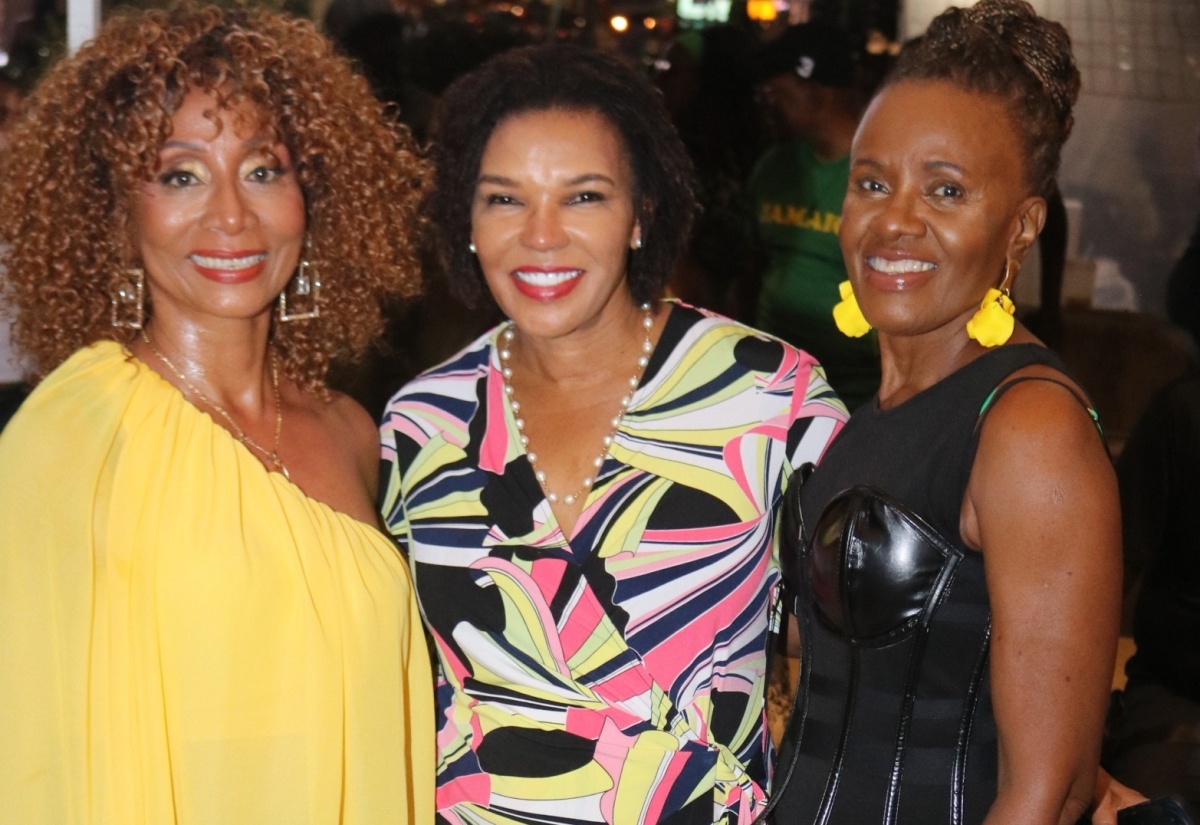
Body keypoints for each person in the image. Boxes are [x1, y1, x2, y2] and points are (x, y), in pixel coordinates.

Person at [378, 44, 847, 824]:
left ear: (643, 214)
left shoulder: (770, 398)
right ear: (464, 218)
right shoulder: (421, 423)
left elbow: (856, 664)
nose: (541, 235)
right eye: (503, 200)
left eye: (584, 197)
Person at [0, 6, 433, 822]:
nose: (232, 215)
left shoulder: (351, 431)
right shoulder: (70, 439)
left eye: (264, 170)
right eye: (181, 174)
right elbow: (30, 747)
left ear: (315, 193)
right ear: (116, 209)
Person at [768, 1, 1123, 822]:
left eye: (947, 190)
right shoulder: (876, 415)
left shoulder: (1029, 426)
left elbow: (1049, 791)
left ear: (1021, 226)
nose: (895, 220)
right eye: (872, 182)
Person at [748, 22, 881, 410]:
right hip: (771, 386)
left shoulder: (882, 177)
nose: (768, 104)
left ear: (812, 89)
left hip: (856, 396)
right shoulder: (773, 168)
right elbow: (756, 265)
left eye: (776, 93)